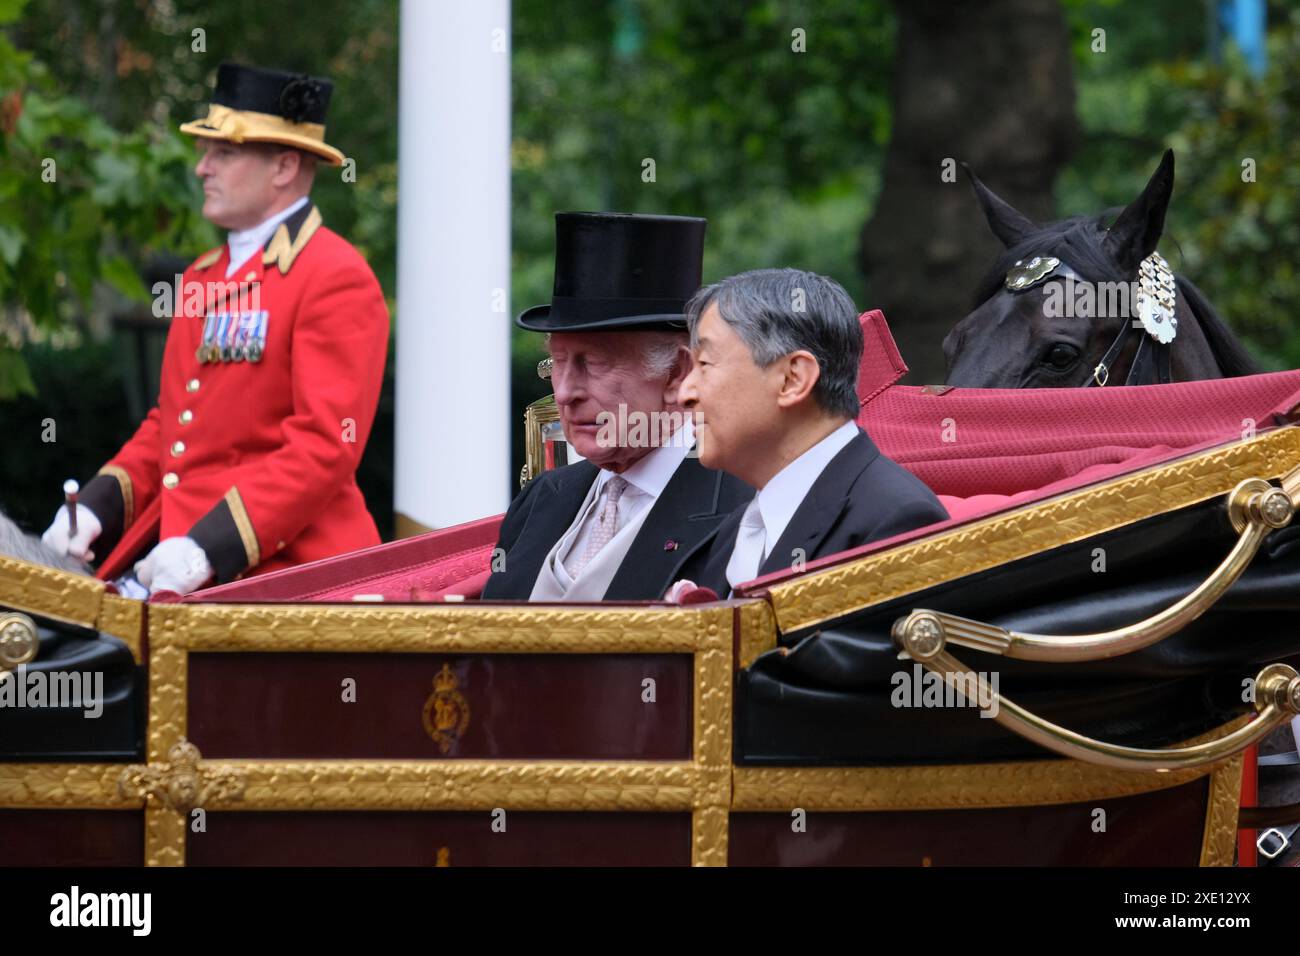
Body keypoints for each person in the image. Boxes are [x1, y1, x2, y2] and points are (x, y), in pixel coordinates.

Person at [41, 63, 389, 594]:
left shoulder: (334, 275)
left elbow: (324, 446)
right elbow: (170, 429)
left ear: (284, 167)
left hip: (289, 574)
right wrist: (92, 507)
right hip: (180, 562)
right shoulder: (205, 275)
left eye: (223, 152)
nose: (203, 168)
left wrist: (210, 545)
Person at [481, 212, 752, 601]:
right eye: (558, 363)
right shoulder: (542, 497)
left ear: (677, 373)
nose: (564, 392)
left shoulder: (742, 509)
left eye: (593, 363)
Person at [677, 268, 948, 596]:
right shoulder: (736, 529)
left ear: (793, 379)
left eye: (704, 364)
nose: (685, 393)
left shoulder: (894, 522)